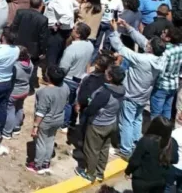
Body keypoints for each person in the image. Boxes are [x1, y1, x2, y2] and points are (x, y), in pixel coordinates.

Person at [110, 17, 167, 159]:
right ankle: (136, 142)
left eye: (149, 45)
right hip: (143, 94)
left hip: (131, 93)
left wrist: (115, 31)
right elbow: (143, 42)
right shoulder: (162, 57)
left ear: (150, 49)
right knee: (137, 119)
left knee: (126, 121)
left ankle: (125, 150)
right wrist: (128, 27)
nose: (146, 44)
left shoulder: (142, 59)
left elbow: (120, 47)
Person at [75, 65, 125, 183]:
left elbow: (92, 108)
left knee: (92, 150)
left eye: (107, 72)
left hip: (98, 124)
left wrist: (85, 111)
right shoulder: (121, 90)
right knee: (104, 148)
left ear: (110, 77)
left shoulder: (105, 93)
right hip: (111, 122)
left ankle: (90, 174)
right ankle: (100, 172)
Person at [27, 66, 69, 175]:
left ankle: (37, 165)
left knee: (41, 142)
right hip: (59, 118)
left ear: (49, 78)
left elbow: (41, 112)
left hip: (46, 121)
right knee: (50, 140)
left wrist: (35, 126)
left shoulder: (44, 92)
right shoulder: (65, 87)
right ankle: (46, 163)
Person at [126, 116, 178, 193]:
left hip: (142, 181)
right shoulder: (172, 142)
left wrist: (127, 172)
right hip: (160, 180)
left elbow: (135, 161)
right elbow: (175, 159)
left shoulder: (145, 141)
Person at [59, 23, 94, 130]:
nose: (72, 30)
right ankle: (73, 122)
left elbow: (63, 68)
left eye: (74, 29)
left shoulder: (71, 49)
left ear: (78, 34)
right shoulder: (90, 45)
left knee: (67, 103)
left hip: (69, 79)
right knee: (75, 102)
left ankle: (65, 124)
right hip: (81, 78)